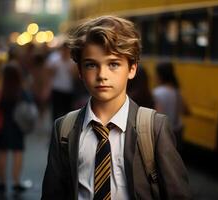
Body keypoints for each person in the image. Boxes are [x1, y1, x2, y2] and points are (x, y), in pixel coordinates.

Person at [42, 15, 191, 200]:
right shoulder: (64, 129)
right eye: (91, 65)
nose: (102, 75)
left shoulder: (154, 128)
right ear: (79, 70)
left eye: (113, 64)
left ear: (132, 69)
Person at [0, 65, 29, 193]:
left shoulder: (0, 90)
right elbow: (29, 104)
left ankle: (2, 182)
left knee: (2, 153)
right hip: (17, 126)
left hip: (2, 125)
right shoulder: (21, 90)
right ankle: (16, 182)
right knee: (17, 153)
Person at [152, 62, 190, 150]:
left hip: (164, 135)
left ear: (160, 75)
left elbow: (158, 116)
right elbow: (187, 112)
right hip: (176, 134)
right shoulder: (176, 92)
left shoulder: (157, 93)